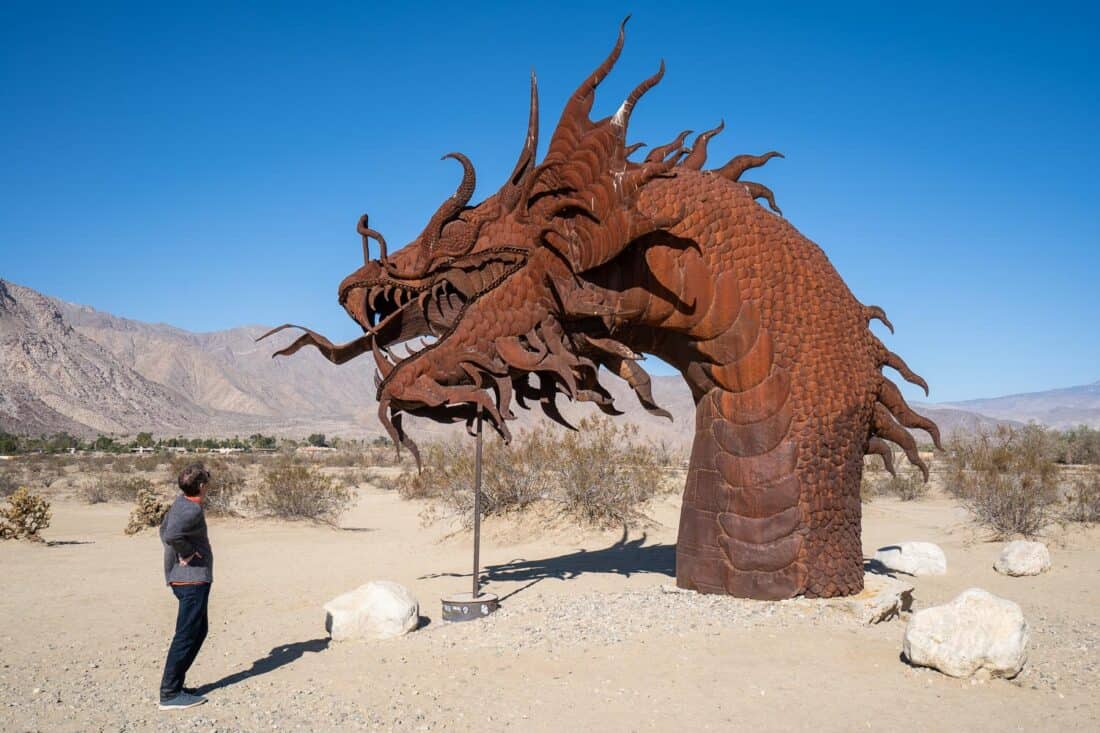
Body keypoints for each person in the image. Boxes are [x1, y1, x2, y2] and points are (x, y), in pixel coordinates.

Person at [158, 462, 214, 710]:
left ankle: (177, 686)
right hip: (191, 580)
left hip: (187, 578)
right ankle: (169, 693)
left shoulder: (181, 503)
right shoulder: (190, 510)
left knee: (198, 631)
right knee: (186, 635)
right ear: (201, 486)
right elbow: (171, 535)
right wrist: (188, 553)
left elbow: (164, 530)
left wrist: (175, 554)